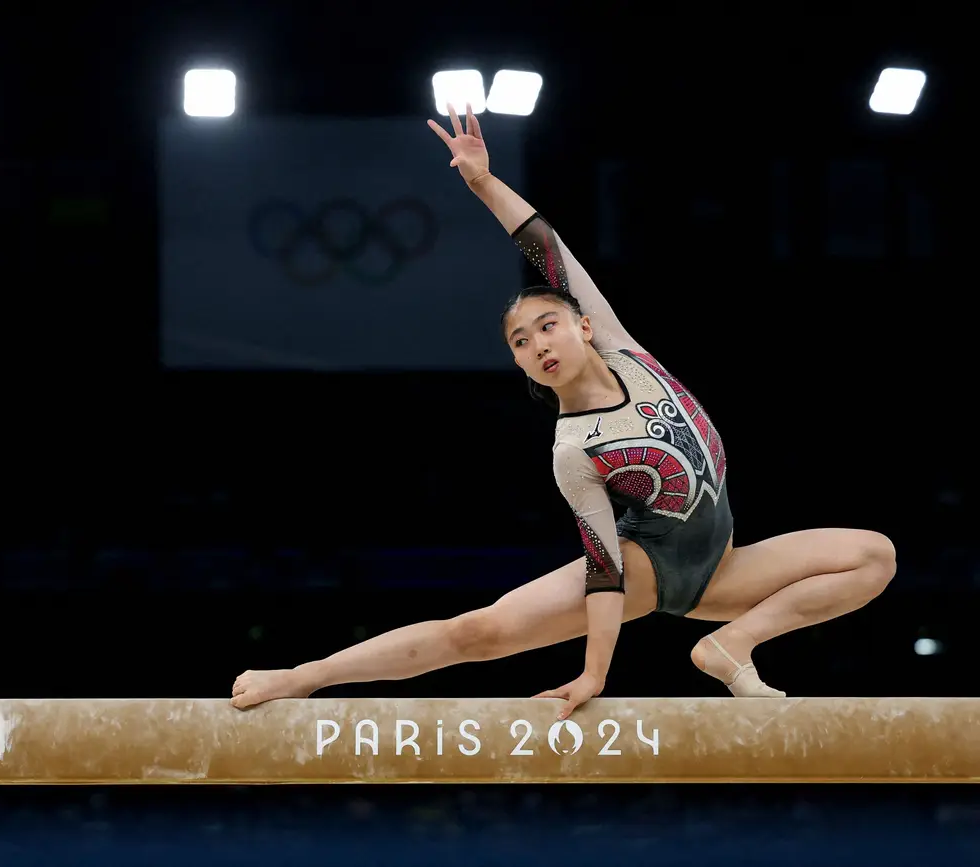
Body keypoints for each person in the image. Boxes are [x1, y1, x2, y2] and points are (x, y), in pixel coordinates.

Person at [231, 104, 896, 719]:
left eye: (548, 325)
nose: (537, 343)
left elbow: (542, 243)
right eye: (520, 342)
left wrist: (484, 183)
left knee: (873, 556)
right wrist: (594, 673)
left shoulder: (627, 351)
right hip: (647, 567)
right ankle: (303, 675)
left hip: (722, 564)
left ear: (582, 326)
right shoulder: (575, 448)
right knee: (479, 632)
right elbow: (603, 567)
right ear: (519, 365)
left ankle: (733, 644)